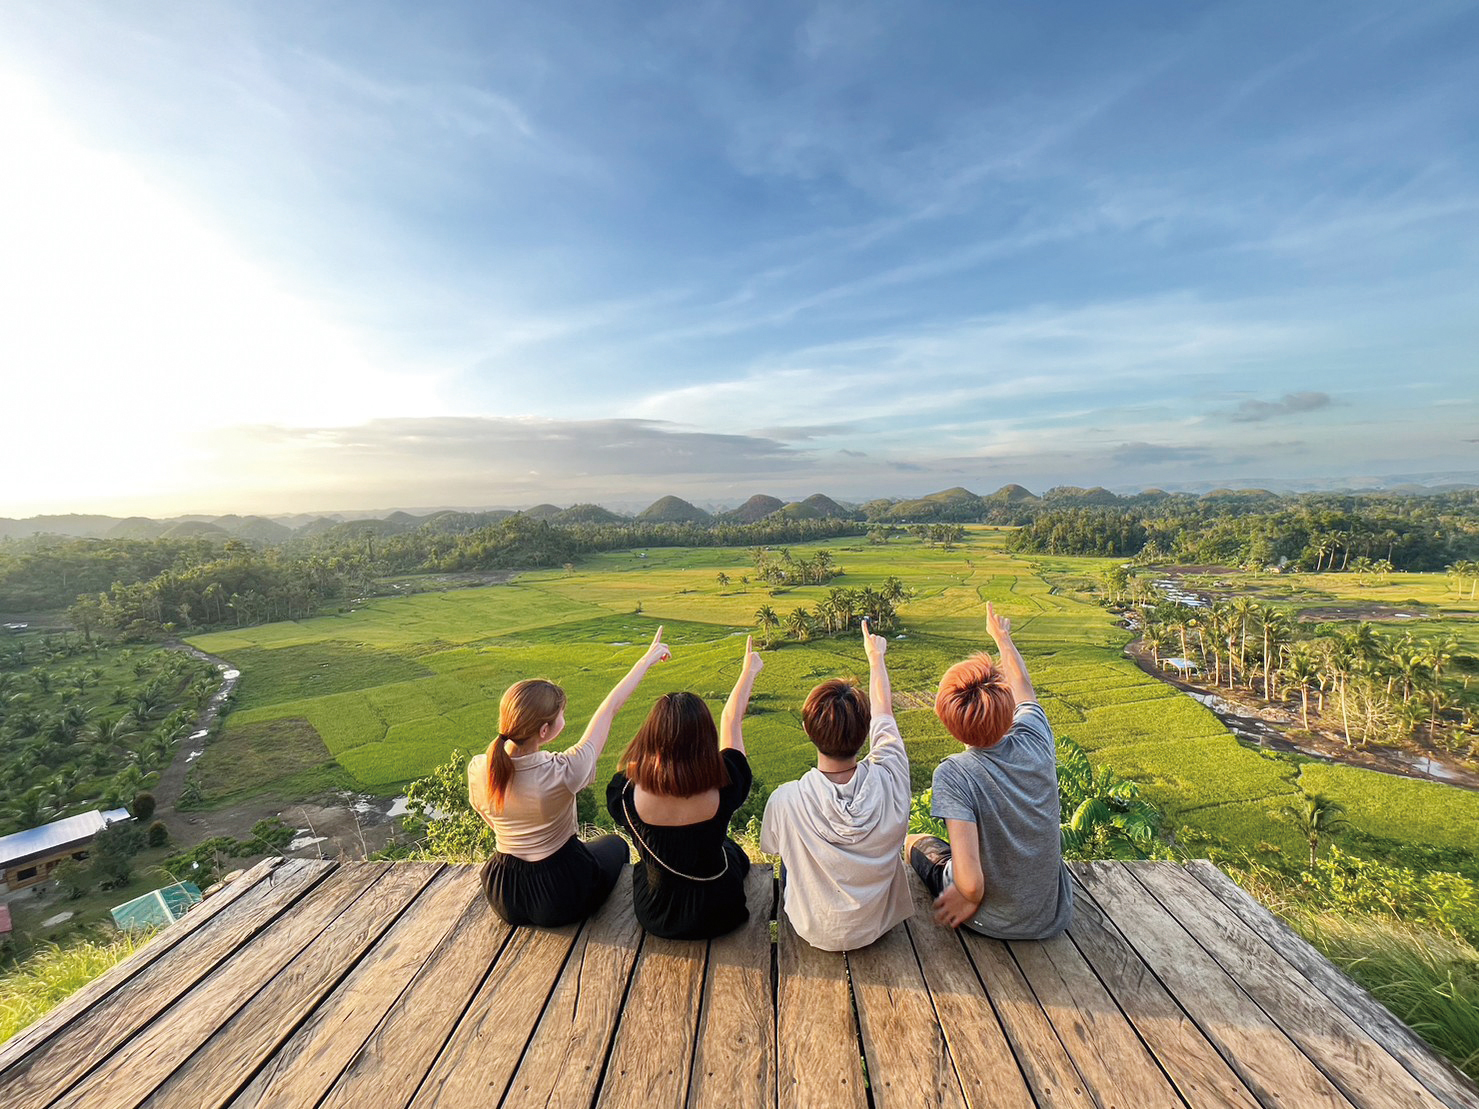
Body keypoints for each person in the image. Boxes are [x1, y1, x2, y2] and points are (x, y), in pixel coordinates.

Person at [468, 628, 671, 927]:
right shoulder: (564, 771)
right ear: (544, 731)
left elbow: (489, 817)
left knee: (591, 849)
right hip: (560, 894)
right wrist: (645, 661)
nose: (565, 717)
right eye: (561, 714)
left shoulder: (479, 767)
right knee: (616, 845)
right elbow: (610, 709)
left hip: (504, 892)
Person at [906, 602, 1073, 939]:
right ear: (1008, 706)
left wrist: (970, 898)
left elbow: (970, 883)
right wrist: (1002, 639)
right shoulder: (1034, 736)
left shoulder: (955, 773)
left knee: (914, 842)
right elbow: (1023, 685)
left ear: (952, 727)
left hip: (992, 921)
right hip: (1052, 913)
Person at [761, 618, 912, 951]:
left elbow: (772, 848)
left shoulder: (787, 799)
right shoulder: (891, 775)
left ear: (807, 731)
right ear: (865, 733)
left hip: (812, 928)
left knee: (791, 844)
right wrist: (876, 658)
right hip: (877, 925)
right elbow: (884, 712)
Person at [606, 636, 763, 940]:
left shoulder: (625, 792)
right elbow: (732, 720)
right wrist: (749, 670)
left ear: (651, 736)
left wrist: (645, 660)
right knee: (730, 850)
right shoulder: (727, 777)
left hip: (658, 914)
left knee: (647, 864)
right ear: (706, 737)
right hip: (722, 910)